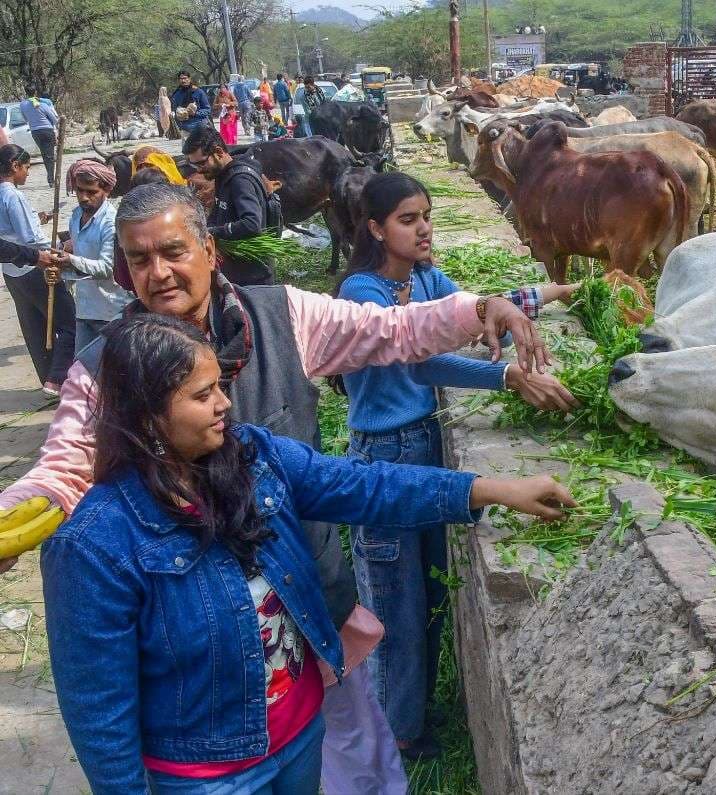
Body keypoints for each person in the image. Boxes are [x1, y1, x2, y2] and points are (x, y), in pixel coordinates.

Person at [0, 182, 550, 793]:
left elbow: (390, 335)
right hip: (200, 675)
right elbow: (64, 468)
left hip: (306, 606)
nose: (158, 273)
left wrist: (478, 311)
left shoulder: (280, 324)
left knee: (351, 759)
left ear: (210, 250)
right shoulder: (105, 370)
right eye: (138, 258)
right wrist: (21, 520)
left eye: (173, 251)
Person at [334, 172, 577, 760]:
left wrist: (551, 293)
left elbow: (473, 314)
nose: (423, 229)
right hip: (384, 456)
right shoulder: (360, 296)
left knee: (432, 593)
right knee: (394, 607)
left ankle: (410, 715)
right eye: (407, 219)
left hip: (425, 444)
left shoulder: (425, 278)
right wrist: (506, 375)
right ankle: (395, 740)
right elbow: (420, 362)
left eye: (426, 216)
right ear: (375, 228)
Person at [0, 145, 76, 394]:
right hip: (33, 267)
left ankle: (47, 378)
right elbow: (31, 238)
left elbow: (15, 227)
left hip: (12, 271)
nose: (28, 174)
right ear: (14, 166)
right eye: (26, 168)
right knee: (69, 321)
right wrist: (59, 248)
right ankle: (58, 378)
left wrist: (42, 217)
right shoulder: (12, 196)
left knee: (34, 325)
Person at [56, 160, 132, 353]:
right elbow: (78, 261)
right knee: (81, 369)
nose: (84, 197)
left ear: (106, 190)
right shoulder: (75, 216)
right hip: (84, 308)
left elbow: (106, 268)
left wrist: (70, 260)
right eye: (80, 191)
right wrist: (59, 269)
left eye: (91, 192)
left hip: (111, 310)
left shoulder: (111, 222)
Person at [183, 126, 273, 285]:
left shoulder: (240, 181)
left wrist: (214, 231)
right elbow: (219, 212)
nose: (199, 171)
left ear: (218, 152)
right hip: (237, 269)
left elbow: (252, 224)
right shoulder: (222, 175)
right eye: (194, 166)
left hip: (253, 276)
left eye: (201, 163)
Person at [17, 86, 58, 188]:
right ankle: (51, 180)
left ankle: (50, 179)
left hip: (35, 132)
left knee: (45, 154)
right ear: (35, 92)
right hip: (47, 131)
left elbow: (25, 118)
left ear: (26, 92)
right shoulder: (43, 104)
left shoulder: (23, 105)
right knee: (50, 155)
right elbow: (54, 119)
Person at [170, 71, 211, 137]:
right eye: (181, 79)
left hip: (200, 128)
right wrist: (179, 114)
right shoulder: (177, 94)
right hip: (185, 130)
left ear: (189, 79)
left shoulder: (198, 92)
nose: (183, 80)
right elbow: (175, 110)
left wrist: (195, 113)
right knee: (186, 147)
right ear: (178, 80)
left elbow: (207, 110)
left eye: (185, 78)